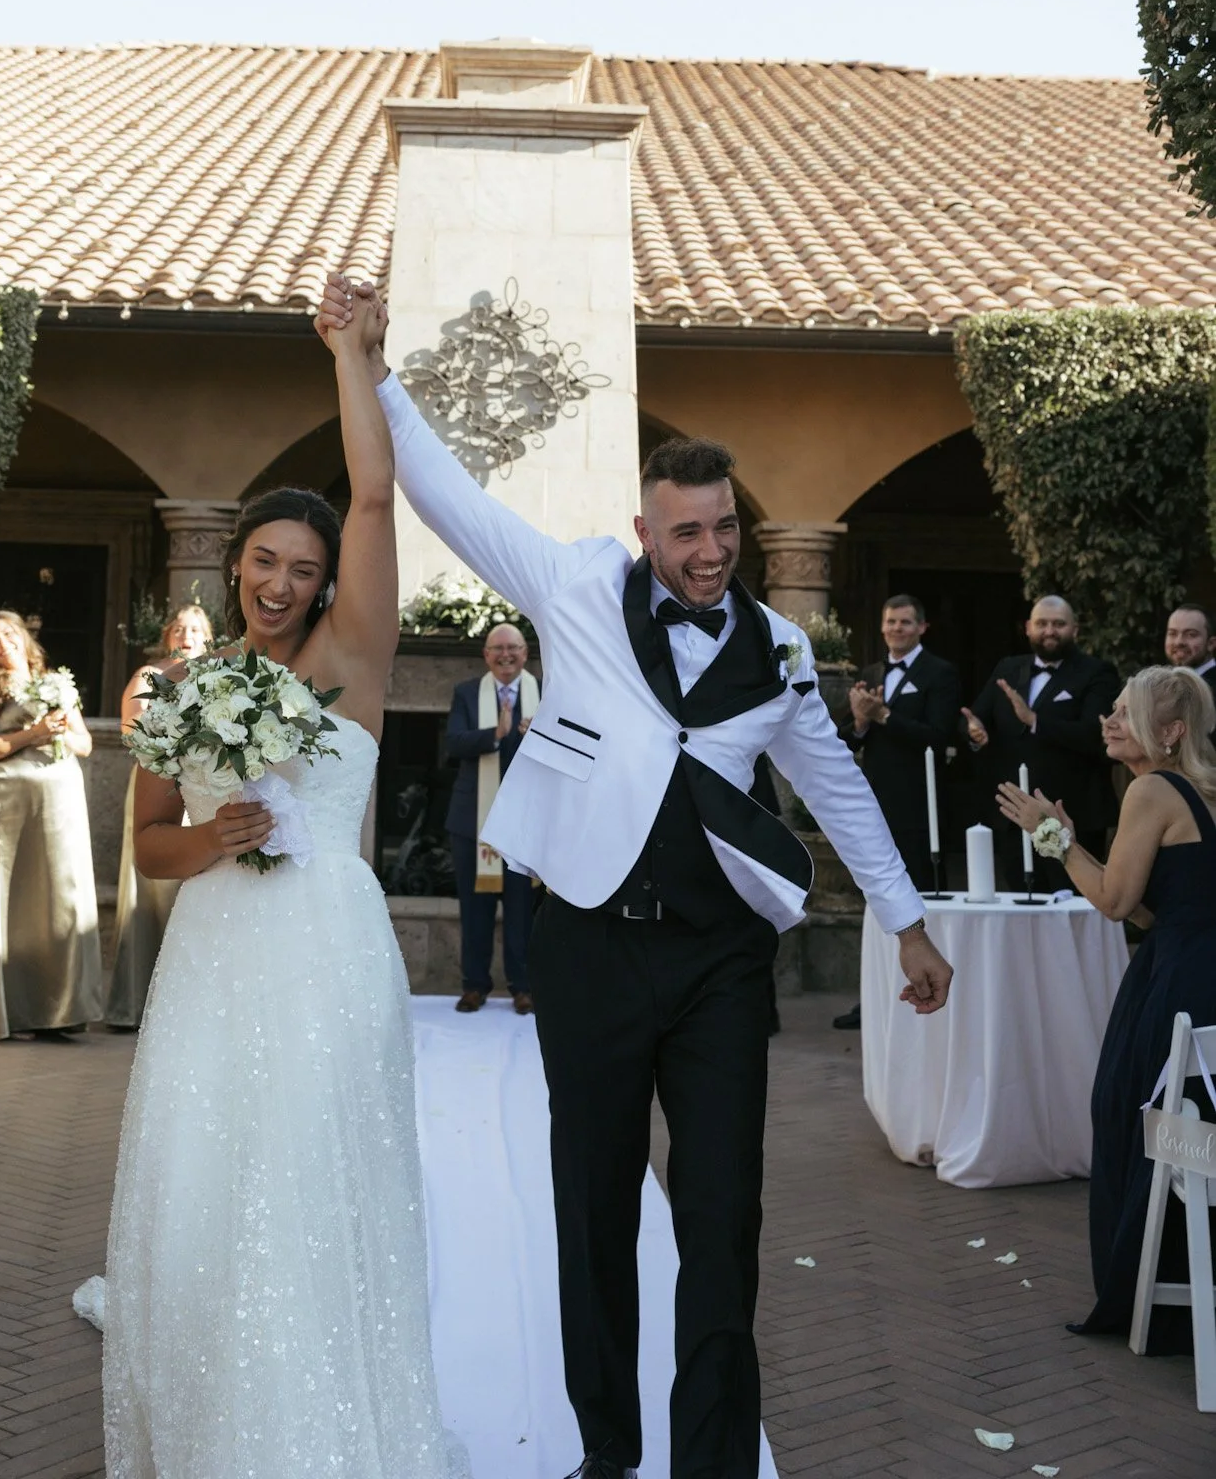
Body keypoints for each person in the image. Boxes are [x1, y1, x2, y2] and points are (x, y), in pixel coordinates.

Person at [320, 272, 951, 1479]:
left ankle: (710, 1461)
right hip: (592, 942)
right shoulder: (572, 586)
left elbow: (837, 788)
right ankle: (606, 1451)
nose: (710, 551)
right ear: (647, 526)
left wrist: (908, 919)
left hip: (719, 959)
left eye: (725, 527)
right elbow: (447, 494)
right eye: (687, 531)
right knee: (594, 1205)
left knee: (722, 1216)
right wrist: (370, 362)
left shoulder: (775, 647)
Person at [100, 287, 469, 1479]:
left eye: (302, 568)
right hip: (212, 955)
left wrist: (351, 356)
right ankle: (213, 1430)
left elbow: (371, 494)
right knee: (203, 1187)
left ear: (325, 585)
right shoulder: (179, 689)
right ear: (235, 564)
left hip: (322, 949)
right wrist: (215, 837)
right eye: (262, 557)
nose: (279, 580)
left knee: (311, 1179)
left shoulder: (349, 663)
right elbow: (151, 841)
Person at [998, 665, 1216, 1353]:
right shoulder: (1201, 788)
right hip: (1197, 971)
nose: (1108, 720)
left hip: (1174, 982)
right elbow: (1165, 906)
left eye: (1126, 712)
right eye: (1111, 709)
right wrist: (1078, 842)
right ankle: (1179, 1290)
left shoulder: (1152, 789)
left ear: (1171, 732)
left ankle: (1146, 1295)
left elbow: (1117, 906)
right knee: (1188, 1128)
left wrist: (1048, 838)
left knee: (1137, 1117)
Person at [0, 612, 102, 1040]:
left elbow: (84, 744)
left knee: (57, 895)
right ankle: (2, 1007)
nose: (2, 644)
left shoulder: (55, 681)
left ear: (24, 636)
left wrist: (59, 733)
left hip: (57, 801)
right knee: (5, 896)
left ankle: (59, 1009)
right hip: (2, 801)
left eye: (7, 634)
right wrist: (33, 733)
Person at [831, 593, 960, 1029]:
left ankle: (920, 986)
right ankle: (873, 998)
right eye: (890, 622)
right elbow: (846, 737)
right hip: (875, 801)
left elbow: (938, 736)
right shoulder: (871, 672)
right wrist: (862, 721)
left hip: (918, 807)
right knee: (872, 897)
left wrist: (884, 714)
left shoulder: (940, 673)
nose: (896, 629)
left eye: (905, 622)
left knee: (912, 901)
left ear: (922, 627)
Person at [104, 604, 216, 1029]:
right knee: (152, 894)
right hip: (160, 783)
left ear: (209, 636)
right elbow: (132, 732)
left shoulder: (220, 675)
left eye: (196, 629)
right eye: (180, 628)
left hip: (205, 790)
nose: (187, 635)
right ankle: (136, 1004)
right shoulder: (149, 676)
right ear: (168, 636)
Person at [964, 595, 1119, 872]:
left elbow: (1093, 735)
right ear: (1027, 628)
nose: (1049, 631)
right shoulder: (1008, 668)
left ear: (1075, 629)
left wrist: (1035, 721)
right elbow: (977, 716)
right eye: (1042, 623)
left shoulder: (1098, 672)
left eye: (1059, 624)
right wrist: (974, 730)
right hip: (1013, 814)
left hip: (1073, 813)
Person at [445, 621, 540, 1015]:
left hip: (527, 821)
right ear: (486, 655)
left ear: (525, 653)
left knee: (523, 909)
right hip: (474, 822)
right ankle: (475, 986)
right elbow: (453, 742)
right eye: (497, 648)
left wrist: (541, 734)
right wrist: (495, 734)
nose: (505, 655)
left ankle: (524, 987)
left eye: (513, 648)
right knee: (476, 907)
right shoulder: (468, 693)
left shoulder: (546, 693)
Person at [1164, 605, 1216, 681]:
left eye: (1191, 634)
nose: (1179, 642)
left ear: (1211, 643)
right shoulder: (1160, 685)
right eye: (1172, 633)